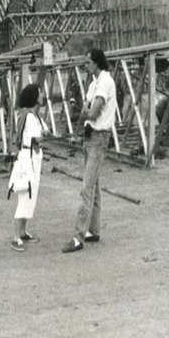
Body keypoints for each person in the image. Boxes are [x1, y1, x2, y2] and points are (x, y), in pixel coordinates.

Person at [63, 48, 117, 253]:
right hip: (90, 137)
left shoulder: (105, 82)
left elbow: (91, 112)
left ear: (95, 63)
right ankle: (93, 229)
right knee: (94, 185)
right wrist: (86, 109)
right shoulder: (94, 83)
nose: (85, 66)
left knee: (86, 187)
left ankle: (78, 237)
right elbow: (86, 108)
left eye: (87, 62)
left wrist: (87, 109)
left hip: (98, 137)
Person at [10, 84, 47, 252]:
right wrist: (44, 135)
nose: (42, 95)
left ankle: (23, 232)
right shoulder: (30, 117)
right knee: (26, 194)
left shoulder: (32, 115)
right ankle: (16, 236)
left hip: (32, 157)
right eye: (40, 93)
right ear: (34, 97)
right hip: (29, 158)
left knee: (30, 195)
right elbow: (38, 138)